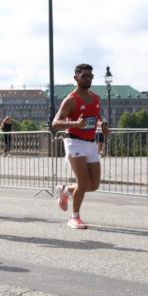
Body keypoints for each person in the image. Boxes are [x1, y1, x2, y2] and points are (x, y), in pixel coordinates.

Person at [52, 63, 110, 229]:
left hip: (91, 142)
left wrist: (103, 124)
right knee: (83, 183)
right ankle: (74, 217)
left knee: (94, 185)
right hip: (74, 140)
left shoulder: (95, 98)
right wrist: (75, 124)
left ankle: (65, 190)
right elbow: (55, 123)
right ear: (76, 77)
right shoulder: (71, 100)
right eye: (84, 76)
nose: (88, 79)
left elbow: (97, 116)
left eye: (90, 76)